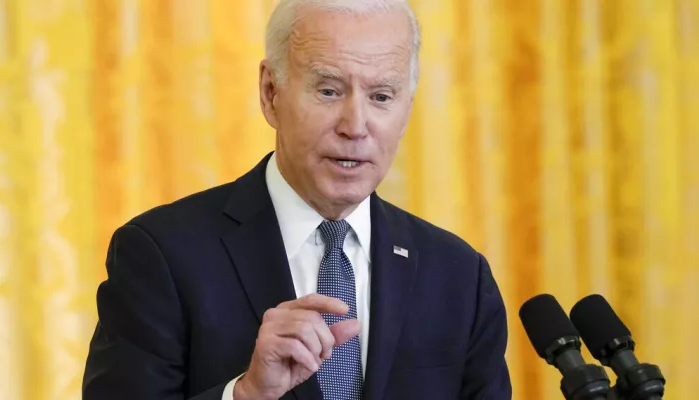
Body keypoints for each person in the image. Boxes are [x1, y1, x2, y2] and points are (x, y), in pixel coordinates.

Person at [82, 0, 511, 399]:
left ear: (406, 112)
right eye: (328, 90)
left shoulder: (459, 276)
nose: (355, 126)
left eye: (381, 97)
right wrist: (246, 394)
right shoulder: (162, 255)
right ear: (271, 93)